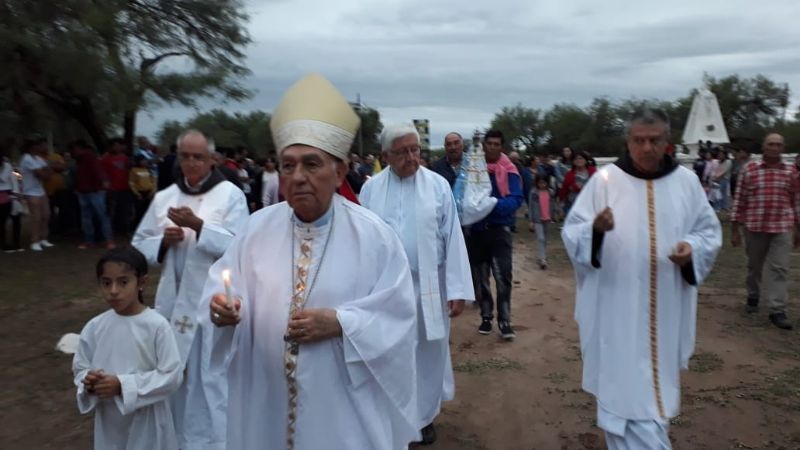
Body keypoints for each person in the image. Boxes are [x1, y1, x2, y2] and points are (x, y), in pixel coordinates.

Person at [205, 73, 419, 450]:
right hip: (265, 403)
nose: (298, 177)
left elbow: (398, 316)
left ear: (339, 173)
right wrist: (224, 308)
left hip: (341, 412)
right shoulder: (255, 230)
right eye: (288, 166)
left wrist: (341, 322)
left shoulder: (374, 237)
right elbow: (224, 286)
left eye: (311, 164)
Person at [562, 109, 721, 449]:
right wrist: (595, 231)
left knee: (654, 388)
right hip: (616, 306)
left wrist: (691, 248)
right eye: (639, 140)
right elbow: (572, 233)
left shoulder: (687, 183)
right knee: (622, 387)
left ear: (668, 143)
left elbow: (708, 231)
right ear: (628, 142)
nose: (646, 148)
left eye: (654, 140)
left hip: (666, 306)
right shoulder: (606, 180)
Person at [132, 130, 249, 449]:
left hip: (212, 306)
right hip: (172, 304)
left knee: (209, 379)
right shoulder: (164, 197)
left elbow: (243, 247)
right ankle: (176, 439)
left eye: (199, 156)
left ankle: (215, 441)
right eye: (186, 155)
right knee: (175, 377)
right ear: (177, 157)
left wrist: (199, 226)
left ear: (212, 159)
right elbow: (137, 248)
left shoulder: (229, 195)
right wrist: (162, 243)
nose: (192, 162)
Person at [360, 123, 474, 445]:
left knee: (427, 352)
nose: (412, 157)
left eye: (416, 150)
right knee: (391, 350)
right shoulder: (370, 190)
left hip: (428, 285)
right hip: (385, 289)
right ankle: (393, 416)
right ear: (386, 155)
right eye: (403, 151)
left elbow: (452, 238)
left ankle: (424, 417)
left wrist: (457, 290)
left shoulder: (437, 186)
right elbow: (363, 241)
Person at [72, 246, 183, 450]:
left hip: (147, 419)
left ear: (141, 283)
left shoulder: (156, 326)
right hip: (110, 420)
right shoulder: (95, 327)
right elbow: (80, 368)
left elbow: (172, 375)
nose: (114, 291)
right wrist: (89, 381)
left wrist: (123, 385)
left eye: (123, 282)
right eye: (106, 283)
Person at [730, 133, 800, 330]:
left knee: (780, 268)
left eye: (778, 145)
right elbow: (739, 200)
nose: (774, 148)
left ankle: (777, 310)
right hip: (755, 226)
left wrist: (798, 228)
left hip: (782, 227)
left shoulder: (791, 172)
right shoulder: (750, 170)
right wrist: (734, 229)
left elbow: (796, 200)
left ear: (783, 148)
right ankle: (753, 295)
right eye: (771, 144)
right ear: (763, 147)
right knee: (754, 267)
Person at [468, 130, 524, 340]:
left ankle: (505, 320)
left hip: (500, 230)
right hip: (477, 231)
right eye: (489, 143)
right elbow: (466, 197)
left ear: (502, 147)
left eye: (496, 144)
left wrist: (492, 205)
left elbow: (516, 199)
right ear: (483, 145)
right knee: (481, 278)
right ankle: (486, 316)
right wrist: (475, 209)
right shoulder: (474, 168)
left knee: (503, 278)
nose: (492, 147)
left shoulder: (509, 170)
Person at [72, 140, 115, 249]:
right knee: (92, 217)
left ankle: (100, 240)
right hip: (87, 191)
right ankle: (102, 240)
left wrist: (103, 182)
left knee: (96, 216)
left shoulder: (89, 158)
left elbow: (97, 171)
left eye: (75, 149)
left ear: (79, 148)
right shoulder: (81, 160)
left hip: (94, 191)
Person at [19, 137, 54, 251]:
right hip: (30, 191)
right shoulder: (27, 158)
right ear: (32, 147)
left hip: (40, 190)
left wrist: (47, 170)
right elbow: (42, 174)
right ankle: (34, 241)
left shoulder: (38, 158)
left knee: (46, 215)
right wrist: (47, 170)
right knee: (36, 217)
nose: (41, 147)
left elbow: (48, 171)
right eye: (39, 145)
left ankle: (43, 238)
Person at [102, 138, 133, 235]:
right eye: (115, 145)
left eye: (119, 145)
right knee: (112, 211)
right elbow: (103, 173)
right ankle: (111, 231)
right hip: (112, 189)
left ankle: (125, 230)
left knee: (125, 210)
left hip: (125, 188)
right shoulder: (106, 158)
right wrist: (106, 184)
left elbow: (129, 171)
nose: (117, 147)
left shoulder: (125, 158)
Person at [529, 174, 557, 270]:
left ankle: (541, 255)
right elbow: (531, 206)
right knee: (540, 238)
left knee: (544, 238)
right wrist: (531, 220)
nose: (542, 184)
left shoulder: (551, 192)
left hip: (547, 218)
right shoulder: (534, 193)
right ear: (537, 183)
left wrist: (554, 216)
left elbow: (553, 205)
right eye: (540, 182)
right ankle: (543, 259)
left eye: (544, 182)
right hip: (537, 219)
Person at [558, 151, 596, 215]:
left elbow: (598, 187)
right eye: (575, 159)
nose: (578, 160)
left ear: (586, 160)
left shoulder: (593, 171)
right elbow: (564, 190)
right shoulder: (569, 174)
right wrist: (561, 206)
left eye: (581, 158)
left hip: (590, 206)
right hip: (573, 206)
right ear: (573, 161)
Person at [0, 147, 23, 252]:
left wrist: (17, 193)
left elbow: (12, 179)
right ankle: (4, 244)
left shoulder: (7, 165)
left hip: (9, 193)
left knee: (16, 218)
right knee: (2, 221)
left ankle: (17, 243)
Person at [129, 155, 156, 228]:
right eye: (143, 160)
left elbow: (153, 181)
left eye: (145, 160)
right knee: (139, 212)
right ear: (138, 161)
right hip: (139, 194)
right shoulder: (134, 170)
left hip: (149, 193)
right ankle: (134, 228)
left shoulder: (148, 170)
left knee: (148, 212)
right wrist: (137, 194)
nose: (145, 162)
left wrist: (152, 192)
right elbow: (131, 183)